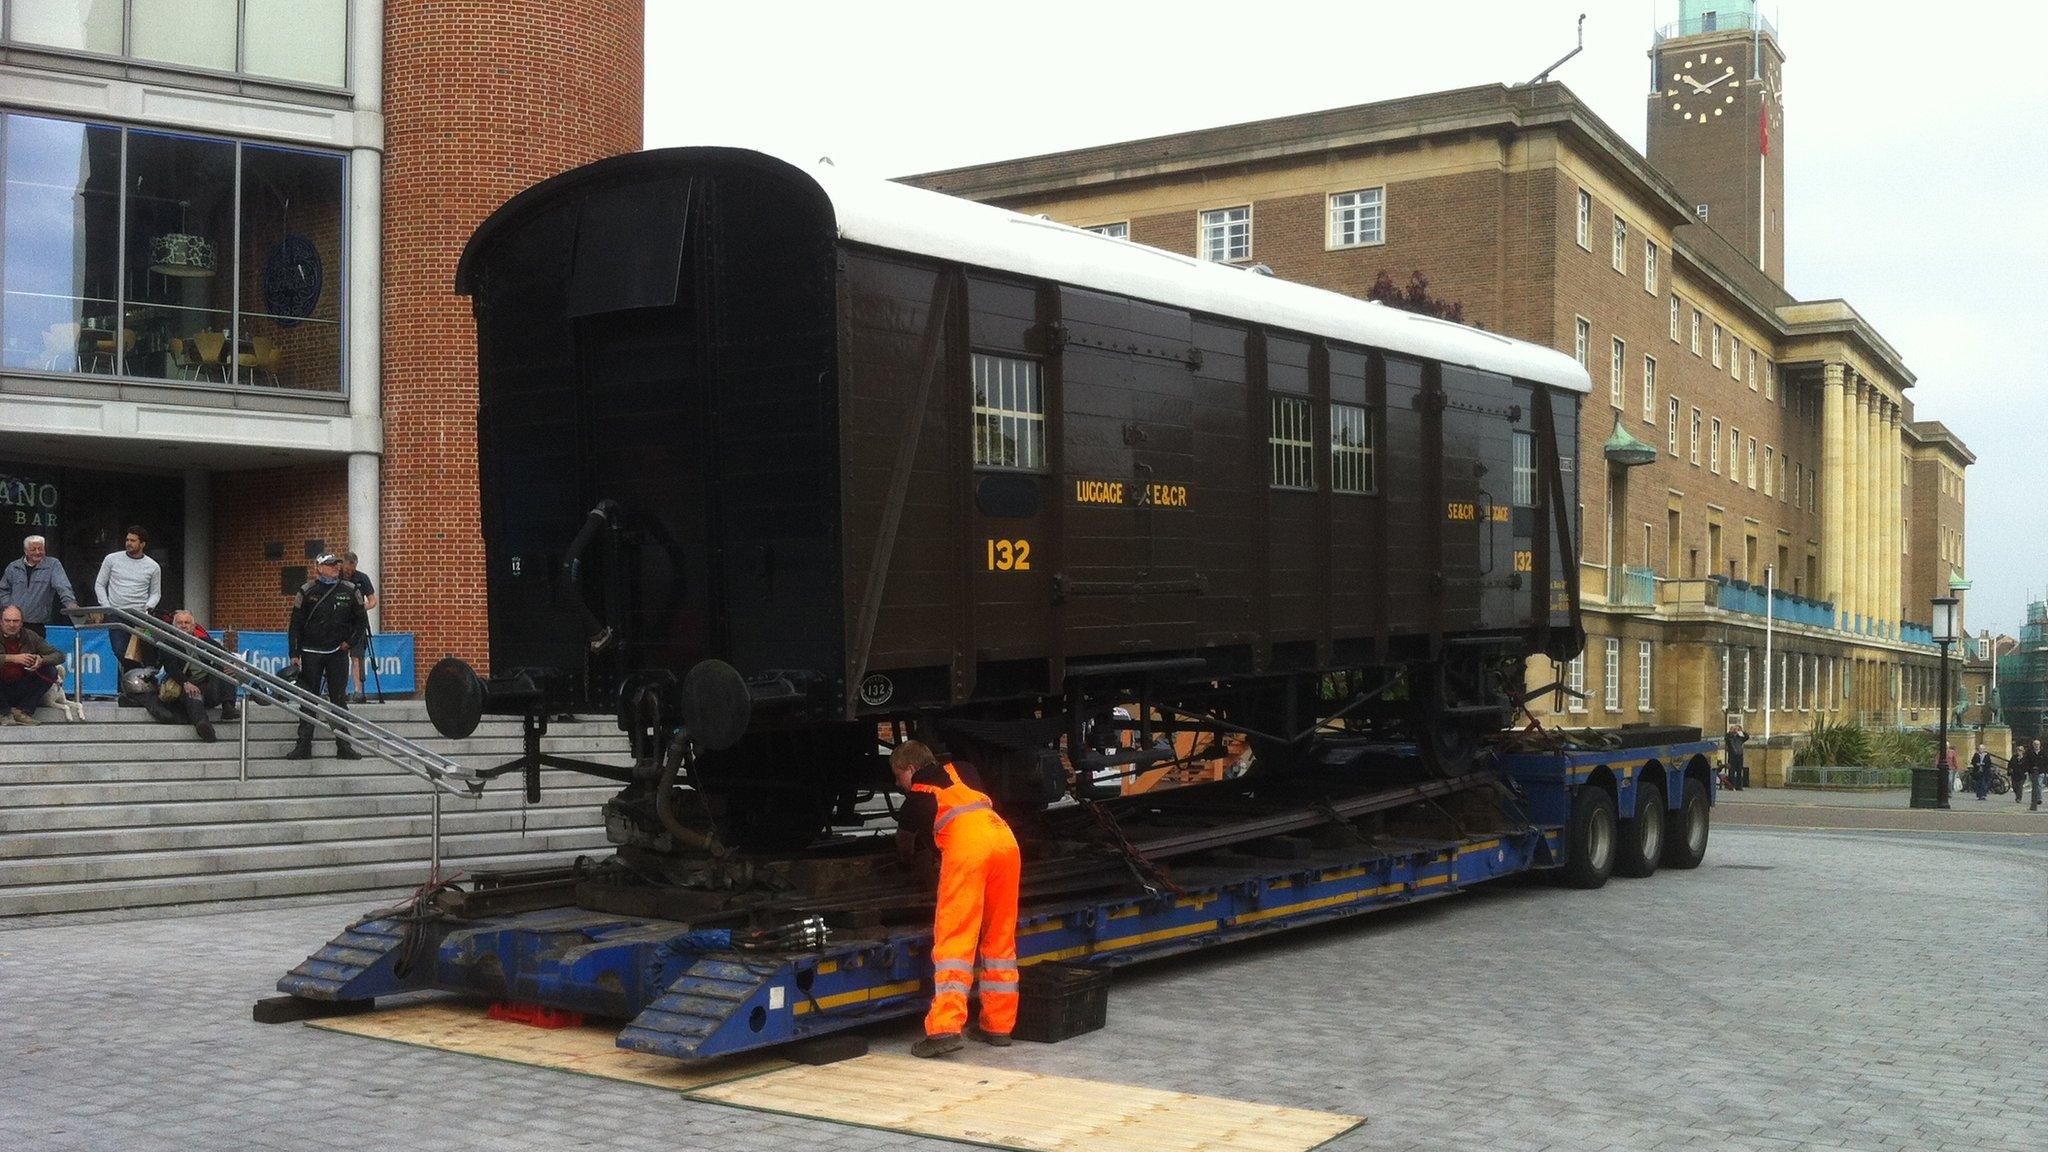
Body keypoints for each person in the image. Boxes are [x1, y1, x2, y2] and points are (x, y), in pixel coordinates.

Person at [891, 740, 1021, 1058]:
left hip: (969, 852)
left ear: (910, 769)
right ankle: (998, 1026)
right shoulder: (964, 769)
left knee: (955, 941)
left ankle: (945, 1029)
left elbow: (905, 848)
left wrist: (907, 864)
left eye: (898, 776)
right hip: (1004, 841)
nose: (898, 784)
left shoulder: (917, 797)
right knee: (1000, 940)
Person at [284, 554, 369, 761]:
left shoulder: (350, 590)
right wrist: (294, 653)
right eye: (330, 565)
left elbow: (360, 621)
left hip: (337, 653)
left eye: (337, 565)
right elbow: (295, 624)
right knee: (309, 699)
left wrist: (349, 642)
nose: (335, 568)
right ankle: (303, 746)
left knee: (338, 699)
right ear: (319, 568)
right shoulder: (306, 591)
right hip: (311, 652)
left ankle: (344, 746)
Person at [153, 609, 240, 742]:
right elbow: (171, 668)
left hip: (208, 687)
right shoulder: (168, 644)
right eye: (180, 623)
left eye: (187, 622)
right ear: (174, 626)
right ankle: (204, 726)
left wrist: (230, 665)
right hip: (184, 688)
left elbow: (226, 655)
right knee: (193, 695)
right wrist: (186, 683)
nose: (183, 625)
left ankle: (228, 707)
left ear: (193, 626)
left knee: (224, 670)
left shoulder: (205, 642)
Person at [94, 525, 162, 673]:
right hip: (116, 612)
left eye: (133, 540)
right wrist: (106, 606)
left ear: (142, 544)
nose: (128, 543)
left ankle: (140, 677)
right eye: (127, 539)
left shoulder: (153, 566)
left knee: (144, 651)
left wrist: (149, 607)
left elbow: (156, 593)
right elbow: (99, 584)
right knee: (119, 649)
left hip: (140, 615)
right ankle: (138, 674)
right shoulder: (111, 559)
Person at [0, 605, 64, 725]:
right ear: (1, 621)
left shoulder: (30, 636)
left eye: (16, 621)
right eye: (7, 621)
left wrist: (41, 660)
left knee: (50, 670)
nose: (12, 625)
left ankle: (22, 711)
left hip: (20, 685)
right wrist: (12, 658)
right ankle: (3, 713)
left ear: (22, 623)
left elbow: (59, 655)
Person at [0, 535, 79, 627]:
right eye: (33, 549)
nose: (38, 552)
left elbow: (62, 586)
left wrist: (70, 604)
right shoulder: (13, 567)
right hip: (13, 622)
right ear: (26, 551)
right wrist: (8, 606)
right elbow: (3, 590)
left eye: (40, 549)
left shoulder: (53, 564)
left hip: (38, 622)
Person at [339, 551, 379, 702]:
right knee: (339, 656)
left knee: (357, 657)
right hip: (341, 622)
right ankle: (340, 690)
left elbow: (373, 600)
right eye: (348, 569)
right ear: (343, 565)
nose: (351, 572)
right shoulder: (337, 577)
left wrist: (362, 608)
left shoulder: (362, 578)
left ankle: (358, 691)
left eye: (353, 568)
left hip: (357, 622)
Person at [1725, 720, 1749, 792]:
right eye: (1735, 729)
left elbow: (1747, 737)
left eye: (1737, 729)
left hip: (1739, 756)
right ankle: (1731, 786)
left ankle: (1739, 786)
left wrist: (1742, 731)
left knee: (1739, 771)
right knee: (1731, 772)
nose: (1736, 730)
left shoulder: (1740, 737)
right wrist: (1731, 731)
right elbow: (1726, 738)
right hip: (1732, 756)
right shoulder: (1730, 737)